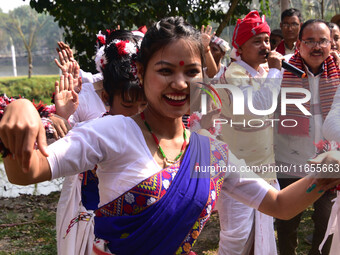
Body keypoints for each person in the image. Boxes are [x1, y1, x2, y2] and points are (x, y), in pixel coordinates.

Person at [1, 16, 340, 255]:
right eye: (165, 71)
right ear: (140, 71)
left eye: (191, 72)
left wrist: (327, 170)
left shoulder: (212, 154)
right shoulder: (112, 132)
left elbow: (279, 205)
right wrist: (21, 108)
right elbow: (24, 172)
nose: (180, 84)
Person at [53, 30, 147, 255]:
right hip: (89, 195)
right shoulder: (84, 94)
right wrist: (60, 116)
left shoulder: (144, 91)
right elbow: (63, 138)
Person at [216, 10, 283, 255]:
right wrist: (276, 71)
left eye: (267, 40)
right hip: (238, 169)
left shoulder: (263, 71)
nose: (265, 46)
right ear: (240, 48)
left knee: (263, 229)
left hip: (264, 165)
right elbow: (260, 106)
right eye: (257, 41)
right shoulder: (234, 74)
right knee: (237, 236)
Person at [275, 19, 340, 255]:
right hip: (289, 162)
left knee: (326, 223)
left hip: (329, 163)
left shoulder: (339, 72)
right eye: (309, 41)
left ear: (331, 43)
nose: (316, 46)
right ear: (299, 44)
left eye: (322, 40)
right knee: (286, 222)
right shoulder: (280, 72)